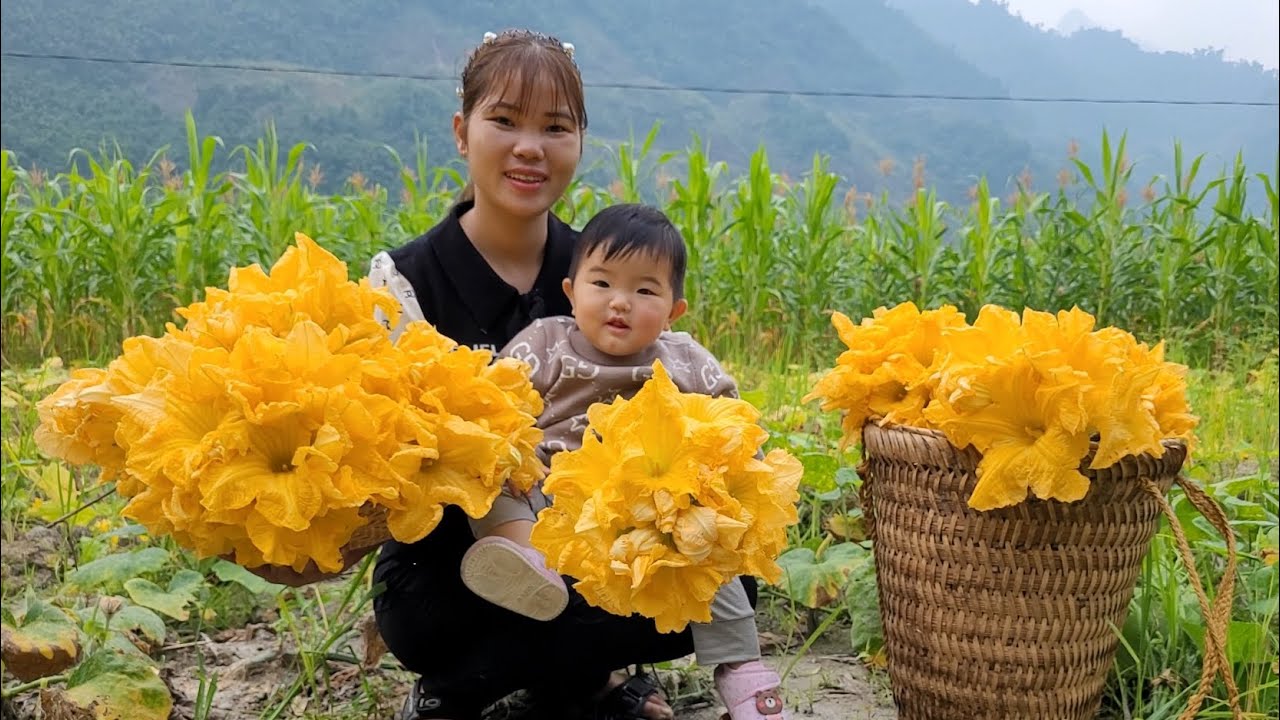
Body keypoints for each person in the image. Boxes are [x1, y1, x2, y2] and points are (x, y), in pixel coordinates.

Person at [252, 29, 754, 720]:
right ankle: (494, 684)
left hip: (602, 542)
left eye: (555, 127)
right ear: (462, 132)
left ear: (579, 142)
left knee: (730, 581)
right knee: (482, 596)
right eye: (505, 120)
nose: (529, 147)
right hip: (448, 571)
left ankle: (549, 684)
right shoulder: (404, 284)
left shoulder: (609, 270)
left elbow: (685, 391)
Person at [460, 203, 791, 720]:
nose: (620, 302)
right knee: (493, 474)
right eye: (602, 283)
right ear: (571, 292)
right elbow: (495, 406)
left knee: (709, 546)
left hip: (650, 513)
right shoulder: (544, 344)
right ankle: (528, 566)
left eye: (645, 291)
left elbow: (735, 424)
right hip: (553, 495)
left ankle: (741, 671)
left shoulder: (685, 360)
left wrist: (741, 475)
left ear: (674, 311)